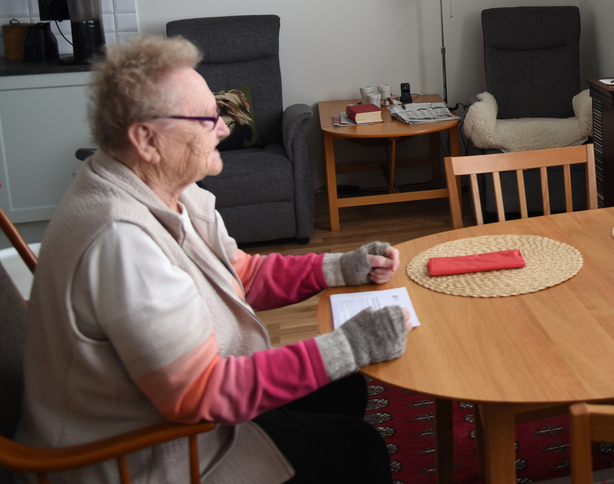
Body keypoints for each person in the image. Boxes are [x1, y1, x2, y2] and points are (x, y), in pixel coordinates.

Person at [17, 35, 409, 484]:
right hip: (143, 455)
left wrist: (341, 267)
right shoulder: (120, 241)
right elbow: (199, 392)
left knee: (345, 387)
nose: (225, 128)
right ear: (147, 139)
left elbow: (241, 274)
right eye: (207, 118)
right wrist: (350, 345)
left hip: (178, 411)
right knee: (359, 452)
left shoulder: (171, 189)